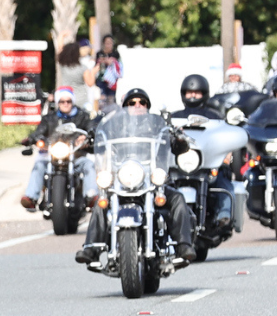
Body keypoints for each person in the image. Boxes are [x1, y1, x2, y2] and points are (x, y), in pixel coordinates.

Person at [75, 88, 197, 265]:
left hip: (151, 179)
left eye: (142, 103)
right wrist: (91, 138)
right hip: (122, 179)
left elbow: (175, 144)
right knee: (102, 201)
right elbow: (100, 140)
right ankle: (91, 248)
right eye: (132, 103)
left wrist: (178, 138)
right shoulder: (115, 125)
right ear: (126, 106)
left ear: (148, 106)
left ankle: (183, 245)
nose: (137, 105)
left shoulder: (157, 125)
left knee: (177, 198)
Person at [171, 74, 234, 228]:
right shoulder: (174, 117)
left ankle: (223, 214)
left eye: (197, 92)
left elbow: (225, 137)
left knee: (223, 181)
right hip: (181, 164)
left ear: (204, 94)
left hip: (207, 163)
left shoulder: (215, 116)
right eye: (189, 92)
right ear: (183, 94)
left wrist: (225, 155)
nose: (193, 95)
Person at [20, 86, 96, 211]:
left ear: (73, 102)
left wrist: (86, 136)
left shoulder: (82, 116)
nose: (65, 104)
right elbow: (39, 131)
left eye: (68, 101)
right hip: (53, 155)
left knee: (88, 164)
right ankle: (31, 198)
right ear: (57, 103)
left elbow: (91, 127)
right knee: (39, 165)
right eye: (62, 101)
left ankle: (91, 196)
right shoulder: (49, 118)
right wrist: (33, 138)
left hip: (76, 155)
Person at [95, 35, 123, 105]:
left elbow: (119, 66)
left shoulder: (115, 54)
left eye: (110, 43)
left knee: (111, 98)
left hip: (112, 81)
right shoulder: (99, 53)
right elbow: (96, 65)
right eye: (107, 43)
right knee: (102, 98)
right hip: (101, 79)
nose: (109, 45)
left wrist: (112, 62)